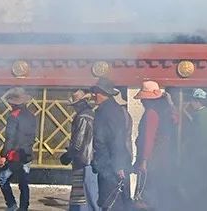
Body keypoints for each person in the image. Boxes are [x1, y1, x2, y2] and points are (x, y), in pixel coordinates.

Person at [131, 81, 179, 211]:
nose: (142, 102)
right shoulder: (166, 112)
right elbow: (176, 119)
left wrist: (144, 161)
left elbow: (148, 139)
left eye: (143, 99)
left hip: (152, 160)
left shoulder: (151, 113)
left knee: (146, 197)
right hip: (163, 160)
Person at [90, 79, 132, 211]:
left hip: (112, 165)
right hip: (106, 163)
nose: (93, 95)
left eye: (95, 92)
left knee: (112, 202)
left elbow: (117, 138)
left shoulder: (110, 111)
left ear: (103, 93)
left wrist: (119, 165)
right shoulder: (106, 110)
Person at [0, 88, 37, 211]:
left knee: (3, 179)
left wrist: (3, 155)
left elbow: (10, 138)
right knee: (23, 183)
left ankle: (11, 205)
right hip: (27, 153)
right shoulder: (32, 116)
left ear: (12, 103)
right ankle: (24, 207)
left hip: (15, 154)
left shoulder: (13, 116)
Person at [61, 90, 97, 211]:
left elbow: (78, 143)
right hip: (90, 159)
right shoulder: (92, 114)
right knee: (87, 195)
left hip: (83, 160)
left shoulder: (82, 117)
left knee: (82, 196)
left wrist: (68, 155)